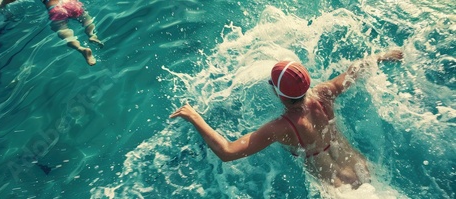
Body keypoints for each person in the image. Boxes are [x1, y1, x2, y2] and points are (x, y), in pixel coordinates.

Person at [170, 50, 404, 189]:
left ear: (279, 94)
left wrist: (194, 117)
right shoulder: (325, 93)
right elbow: (356, 69)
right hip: (360, 167)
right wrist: (381, 57)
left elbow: (228, 151)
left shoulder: (282, 127)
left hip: (336, 188)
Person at [0, 0, 104, 66]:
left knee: (64, 32)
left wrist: (2, 5)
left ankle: (81, 49)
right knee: (87, 20)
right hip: (72, 3)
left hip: (55, 9)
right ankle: (92, 35)